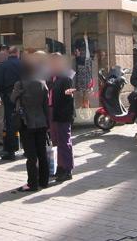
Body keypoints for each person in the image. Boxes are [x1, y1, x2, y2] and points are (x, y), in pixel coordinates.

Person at [11, 60, 50, 192]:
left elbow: (12, 99)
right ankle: (44, 181)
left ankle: (32, 183)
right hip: (41, 122)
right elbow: (46, 105)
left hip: (26, 123)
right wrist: (48, 122)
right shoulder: (42, 83)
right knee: (42, 153)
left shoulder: (19, 84)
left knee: (31, 156)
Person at [49, 53, 75, 182]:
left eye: (55, 63)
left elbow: (69, 101)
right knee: (56, 142)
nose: (53, 65)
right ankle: (59, 167)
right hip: (53, 113)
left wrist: (67, 117)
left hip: (62, 115)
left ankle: (67, 169)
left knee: (64, 142)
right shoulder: (53, 78)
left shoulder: (66, 78)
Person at [0, 46, 23, 161]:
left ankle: (11, 152)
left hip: (8, 97)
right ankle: (27, 149)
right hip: (22, 95)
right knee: (24, 120)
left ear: (9, 53)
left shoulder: (3, 65)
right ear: (17, 53)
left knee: (10, 123)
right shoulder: (22, 64)